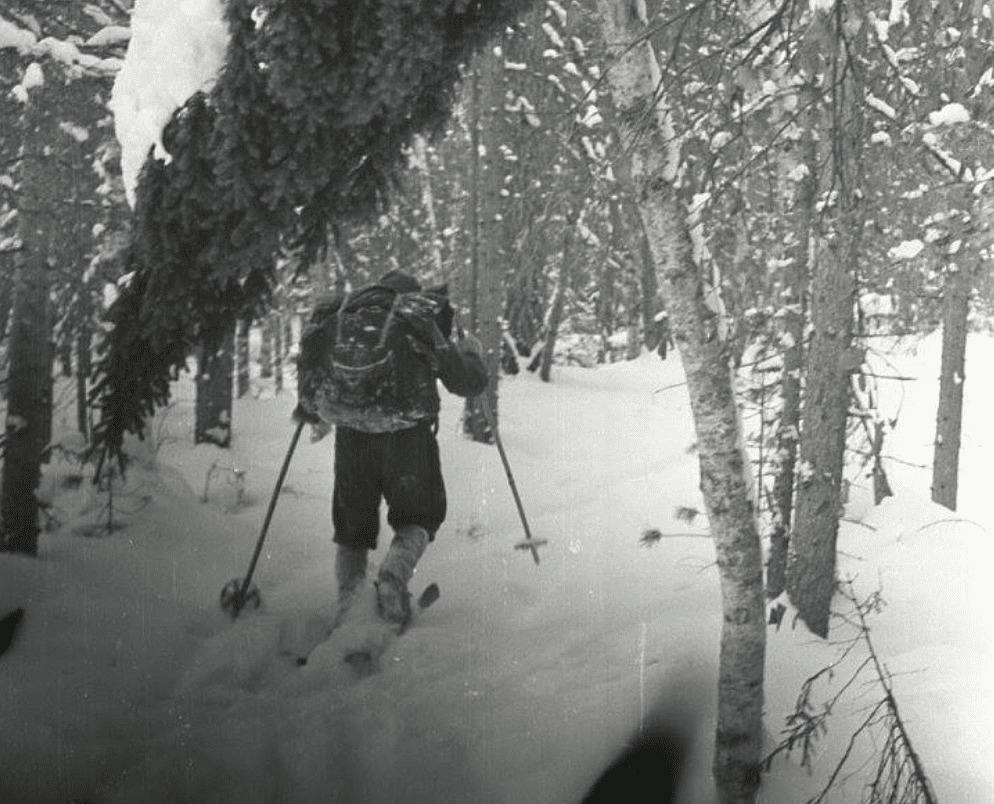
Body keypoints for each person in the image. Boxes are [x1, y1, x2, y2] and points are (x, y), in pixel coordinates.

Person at [296, 270, 488, 629]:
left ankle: (348, 603)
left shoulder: (342, 318)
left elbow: (311, 377)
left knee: (353, 528)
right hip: (407, 439)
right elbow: (466, 383)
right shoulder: (417, 319)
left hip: (351, 438)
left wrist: (312, 412)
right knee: (419, 516)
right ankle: (393, 579)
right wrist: (471, 354)